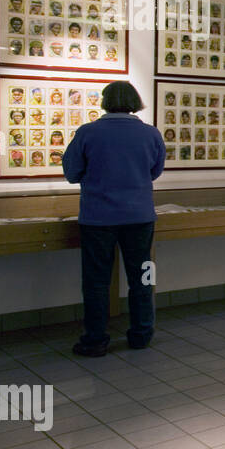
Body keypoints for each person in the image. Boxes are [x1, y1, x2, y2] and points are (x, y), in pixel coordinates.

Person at [62, 81, 165, 357]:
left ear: (104, 101)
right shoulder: (150, 134)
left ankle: (95, 339)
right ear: (135, 101)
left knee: (96, 280)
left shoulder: (88, 132)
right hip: (140, 217)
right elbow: (155, 172)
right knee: (142, 276)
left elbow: (72, 173)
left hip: (98, 218)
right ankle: (142, 334)